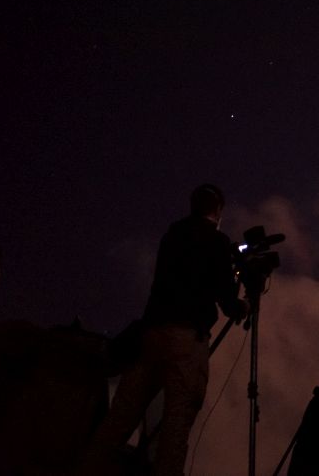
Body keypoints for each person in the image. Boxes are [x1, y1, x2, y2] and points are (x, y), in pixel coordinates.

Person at [78, 184, 248, 476]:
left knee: (120, 417)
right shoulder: (216, 241)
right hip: (186, 341)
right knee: (175, 425)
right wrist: (242, 302)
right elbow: (225, 297)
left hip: (151, 336)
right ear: (218, 211)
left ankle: (86, 468)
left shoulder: (172, 236)